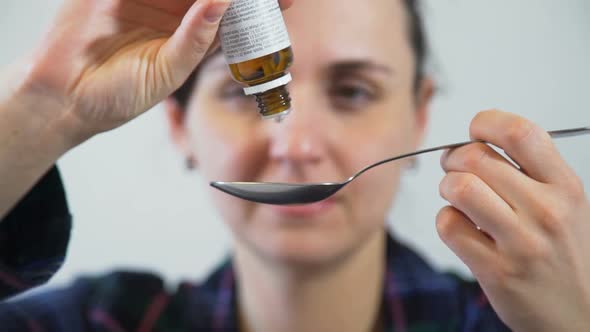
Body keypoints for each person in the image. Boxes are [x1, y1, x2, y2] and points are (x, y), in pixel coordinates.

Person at [0, 0, 589, 331]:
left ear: (419, 115)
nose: (297, 144)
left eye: (354, 91)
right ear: (179, 125)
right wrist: (42, 109)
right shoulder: (97, 322)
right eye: (240, 90)